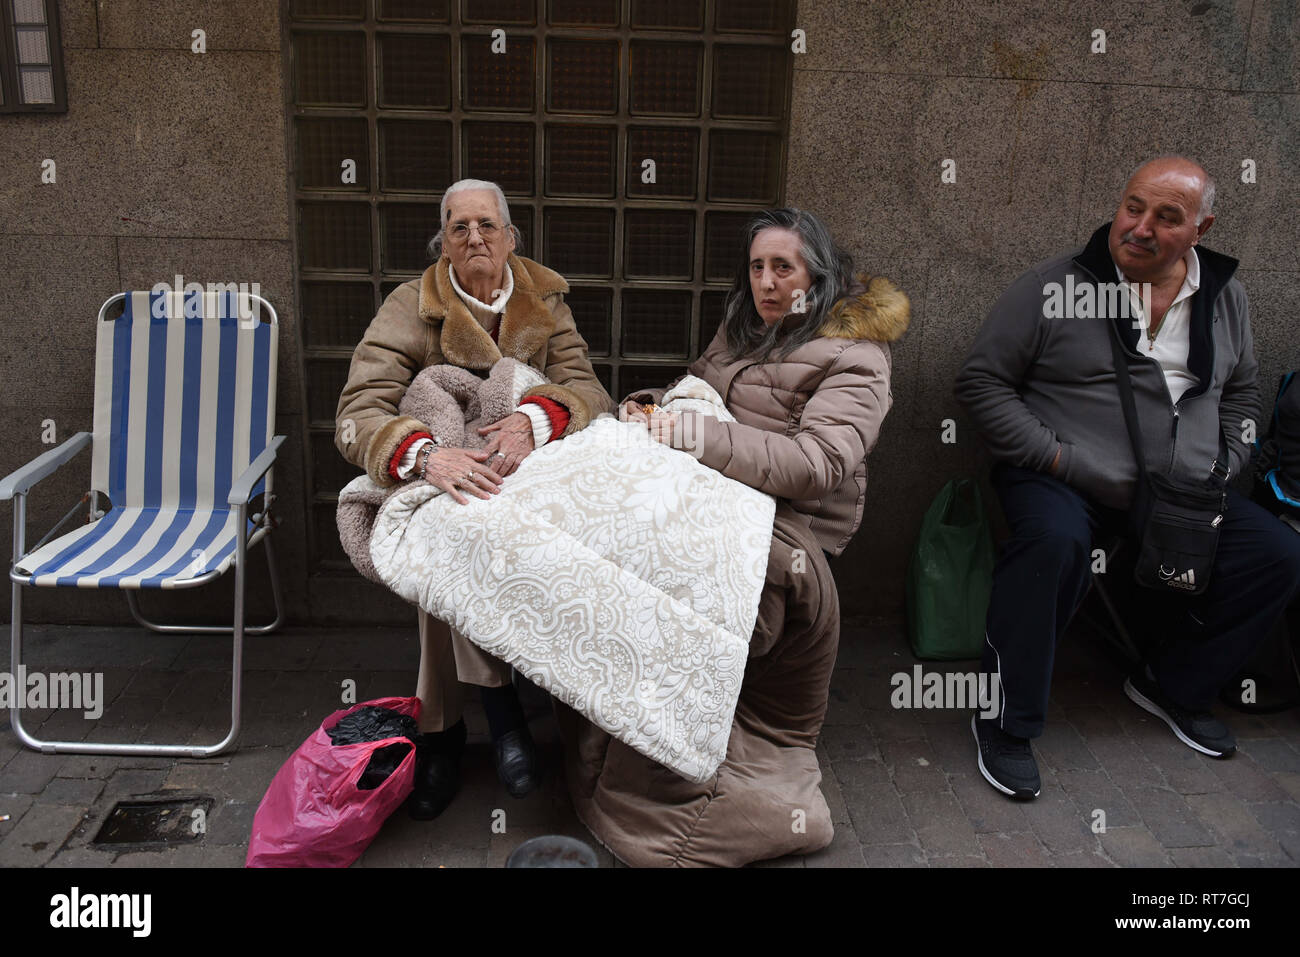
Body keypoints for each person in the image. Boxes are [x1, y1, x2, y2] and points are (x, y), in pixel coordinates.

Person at [558, 207, 910, 866]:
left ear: (818, 272)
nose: (768, 282)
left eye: (785, 266)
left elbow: (816, 466)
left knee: (689, 602)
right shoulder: (744, 327)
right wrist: (652, 407)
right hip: (713, 491)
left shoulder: (857, 355)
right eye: (757, 266)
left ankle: (665, 765)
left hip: (788, 524)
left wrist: (697, 437)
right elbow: (697, 389)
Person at [954, 155, 1300, 800]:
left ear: (1201, 228)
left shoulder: (1227, 296)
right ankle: (1005, 718)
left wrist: (1229, 461)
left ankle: (1173, 684)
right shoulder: (1051, 285)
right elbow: (982, 382)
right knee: (1050, 546)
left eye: (1168, 217)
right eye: (1133, 207)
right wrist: (1058, 459)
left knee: (1279, 555)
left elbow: (1245, 393)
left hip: (1190, 487)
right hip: (1064, 476)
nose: (1140, 228)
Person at [335, 178, 614, 819]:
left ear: (511, 237)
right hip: (446, 468)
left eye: (487, 225)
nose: (475, 238)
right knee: (454, 537)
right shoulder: (412, 304)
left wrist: (532, 419)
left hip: (531, 471)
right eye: (459, 228)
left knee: (467, 539)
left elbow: (587, 391)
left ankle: (445, 734)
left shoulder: (545, 296)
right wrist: (429, 455)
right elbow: (359, 410)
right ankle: (499, 714)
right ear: (444, 244)